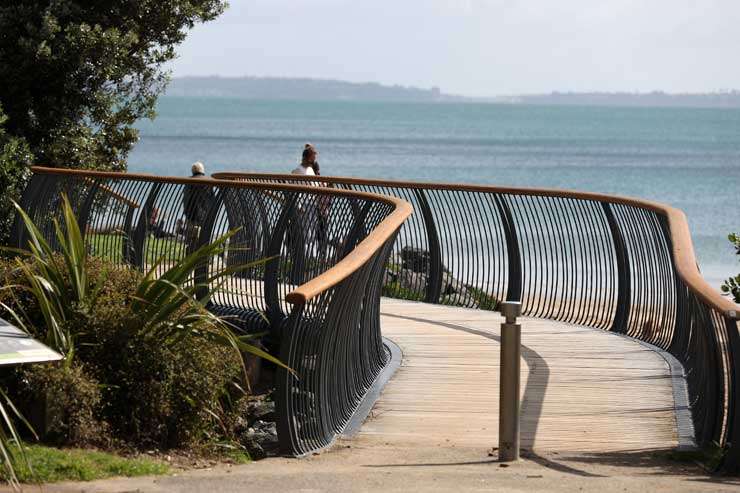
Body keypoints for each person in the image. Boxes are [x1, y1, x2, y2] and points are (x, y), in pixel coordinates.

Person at [182, 161, 216, 255]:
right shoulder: (208, 182)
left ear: (192, 171)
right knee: (205, 242)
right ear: (203, 171)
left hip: (191, 218)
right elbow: (212, 200)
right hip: (205, 219)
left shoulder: (188, 182)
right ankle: (204, 263)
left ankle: (188, 263)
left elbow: (185, 200)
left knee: (190, 242)